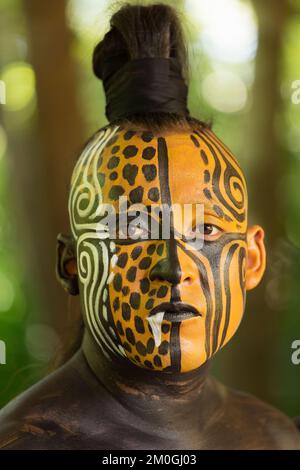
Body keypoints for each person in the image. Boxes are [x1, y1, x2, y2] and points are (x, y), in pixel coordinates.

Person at [0, 3, 299, 450]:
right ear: (72, 265)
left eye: (207, 231)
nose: (174, 267)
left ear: (252, 260)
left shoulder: (275, 436)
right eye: (133, 230)